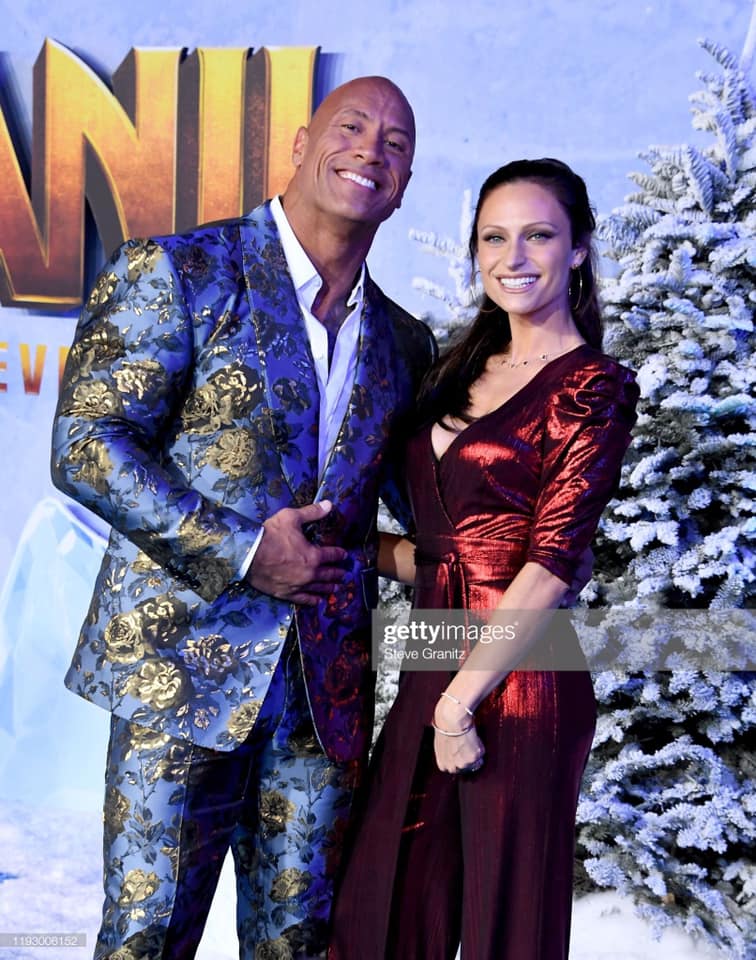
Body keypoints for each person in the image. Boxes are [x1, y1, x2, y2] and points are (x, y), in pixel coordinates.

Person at [50, 76, 436, 959]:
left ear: (405, 185)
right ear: (299, 145)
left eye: (396, 144)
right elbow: (86, 444)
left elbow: (416, 514)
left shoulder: (403, 343)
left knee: (298, 947)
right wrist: (245, 550)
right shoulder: (179, 270)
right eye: (352, 126)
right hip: (177, 677)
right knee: (146, 942)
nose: (371, 150)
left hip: (322, 702)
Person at [329, 158, 640, 960]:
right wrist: (344, 546)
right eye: (494, 238)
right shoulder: (457, 368)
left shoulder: (593, 387)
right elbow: (445, 549)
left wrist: (458, 706)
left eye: (539, 235)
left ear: (578, 249)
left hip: (523, 679)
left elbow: (550, 563)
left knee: (508, 927)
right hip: (436, 657)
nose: (514, 257)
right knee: (382, 909)